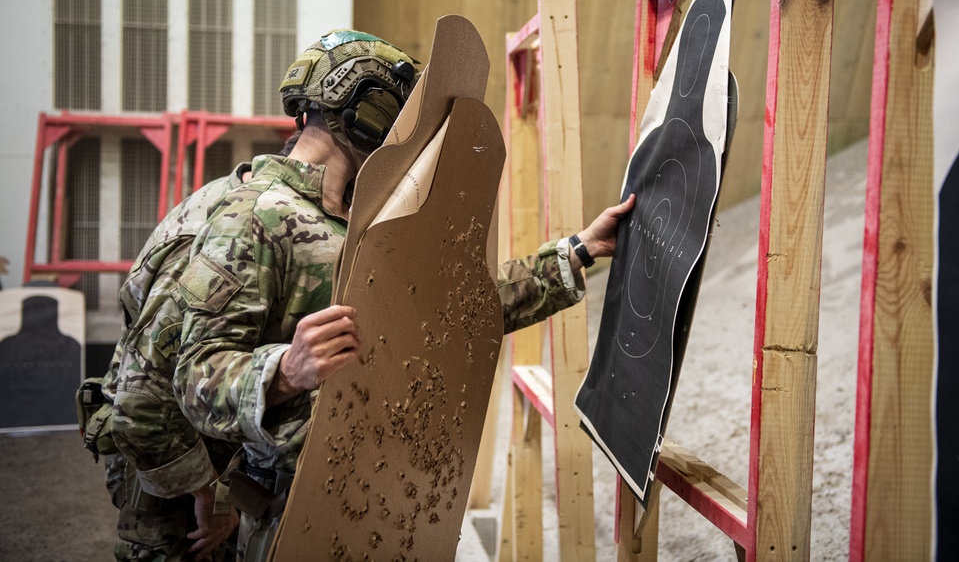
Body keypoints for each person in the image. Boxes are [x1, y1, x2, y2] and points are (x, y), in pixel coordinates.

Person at [171, 29, 635, 559]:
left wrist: (578, 251)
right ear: (368, 109)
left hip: (381, 496)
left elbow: (454, 310)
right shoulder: (253, 215)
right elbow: (194, 377)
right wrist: (284, 370)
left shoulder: (364, 215)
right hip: (299, 512)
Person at [87, 134, 299, 562]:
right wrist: (210, 497)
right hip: (171, 470)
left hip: (189, 448)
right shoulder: (228, 228)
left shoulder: (236, 201)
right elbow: (142, 397)